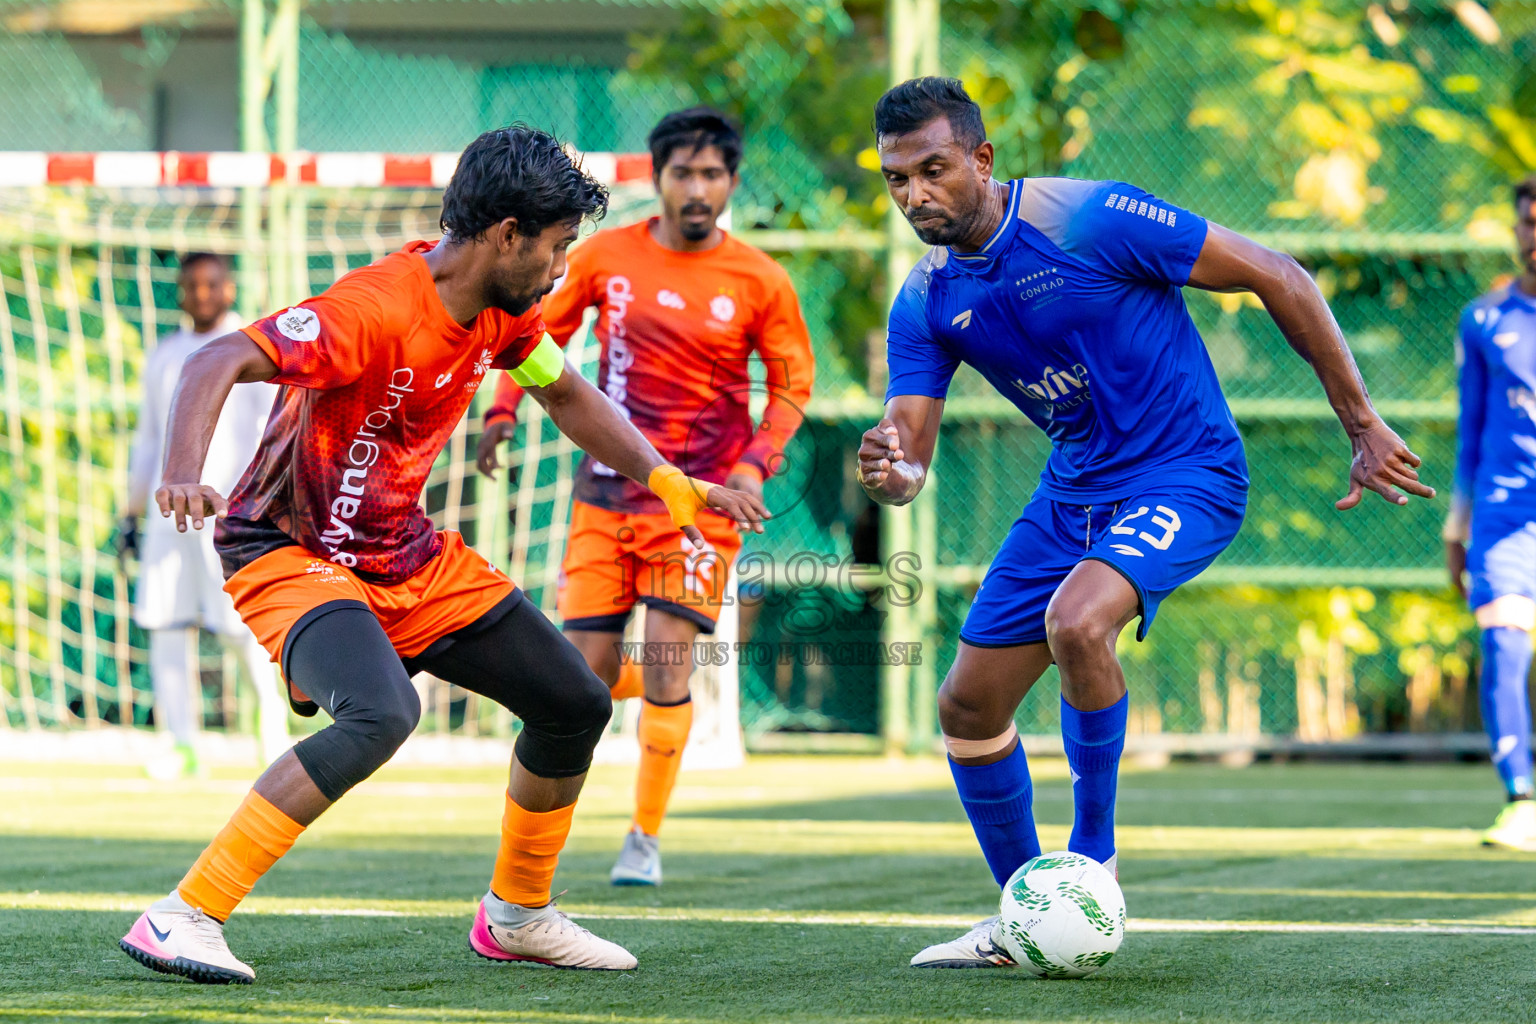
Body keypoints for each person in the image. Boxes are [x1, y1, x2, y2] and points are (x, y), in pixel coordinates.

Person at [117, 124, 769, 985]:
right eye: (555, 247)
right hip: (287, 550)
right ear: (507, 235)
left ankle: (518, 916)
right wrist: (181, 471)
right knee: (381, 715)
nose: (560, 269)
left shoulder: (504, 313)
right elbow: (217, 356)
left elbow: (565, 393)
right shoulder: (374, 307)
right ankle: (183, 914)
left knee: (574, 702)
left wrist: (666, 479)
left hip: (405, 556)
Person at [855, 78, 1433, 968]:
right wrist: (892, 471)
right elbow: (910, 457)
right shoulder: (926, 299)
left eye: (933, 169)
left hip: (1188, 472)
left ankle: (1094, 865)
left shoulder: (1087, 219)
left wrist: (1361, 425)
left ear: (982, 158)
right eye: (897, 179)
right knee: (966, 705)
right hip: (1072, 496)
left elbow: (1277, 273)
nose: (914, 195)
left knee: (1077, 620)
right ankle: (1026, 916)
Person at [477, 107, 814, 886]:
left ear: (731, 182)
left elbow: (793, 384)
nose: (697, 189)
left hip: (700, 505)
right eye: (682, 173)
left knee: (666, 665)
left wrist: (754, 466)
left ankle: (644, 839)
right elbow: (530, 333)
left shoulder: (760, 279)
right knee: (581, 680)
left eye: (711, 174)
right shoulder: (607, 256)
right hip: (607, 493)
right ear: (657, 178)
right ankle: (544, 843)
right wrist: (501, 410)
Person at [120, 253, 288, 778]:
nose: (201, 293)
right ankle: (181, 745)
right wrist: (130, 511)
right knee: (165, 621)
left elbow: (271, 433)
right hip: (168, 515)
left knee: (241, 625)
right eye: (192, 284)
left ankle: (271, 737)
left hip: (229, 514)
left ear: (229, 288)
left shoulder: (252, 349)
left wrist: (265, 504)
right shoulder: (165, 355)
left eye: (211, 284)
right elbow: (149, 439)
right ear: (180, 291)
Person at [1445, 173, 1536, 852]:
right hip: (1505, 514)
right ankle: (1520, 799)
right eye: (1530, 222)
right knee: (1503, 644)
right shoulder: (1483, 319)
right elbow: (1469, 431)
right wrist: (1458, 525)